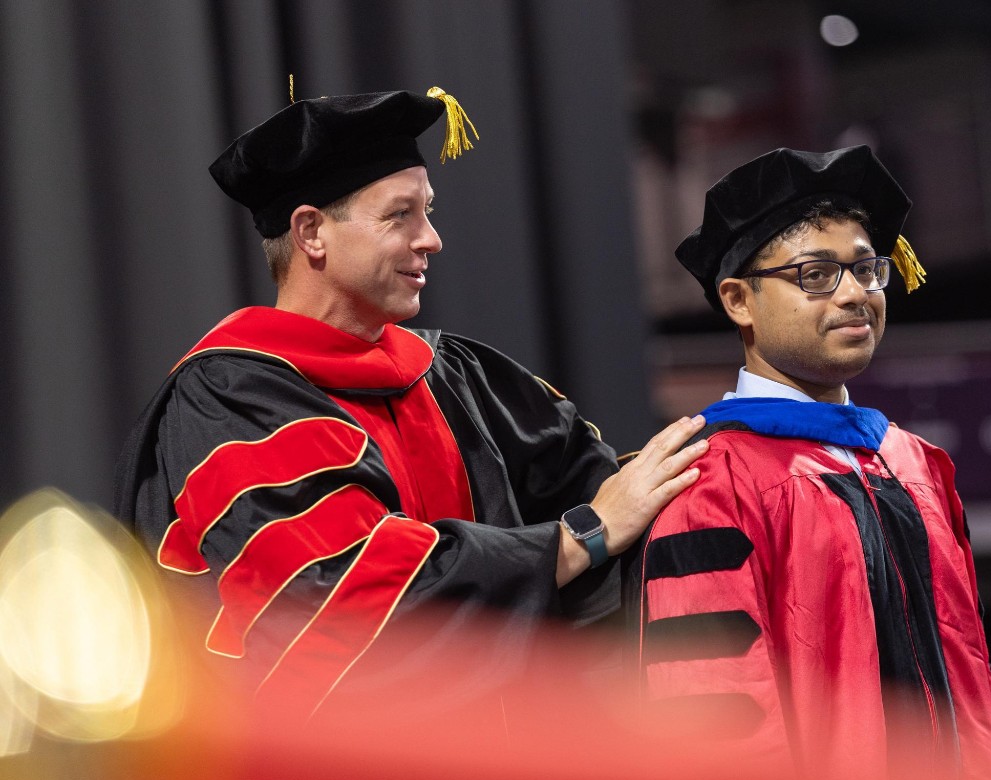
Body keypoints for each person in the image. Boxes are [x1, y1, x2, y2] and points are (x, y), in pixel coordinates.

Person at [114, 87, 706, 717]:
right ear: (311, 232)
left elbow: (611, 485)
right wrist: (574, 541)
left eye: (429, 211)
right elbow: (340, 603)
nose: (433, 240)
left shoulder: (456, 375)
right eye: (400, 215)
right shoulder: (231, 401)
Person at [626, 147, 991, 780]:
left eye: (866, 270)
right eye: (815, 274)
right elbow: (714, 727)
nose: (853, 294)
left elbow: (976, 687)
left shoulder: (915, 465)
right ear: (738, 300)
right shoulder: (707, 480)